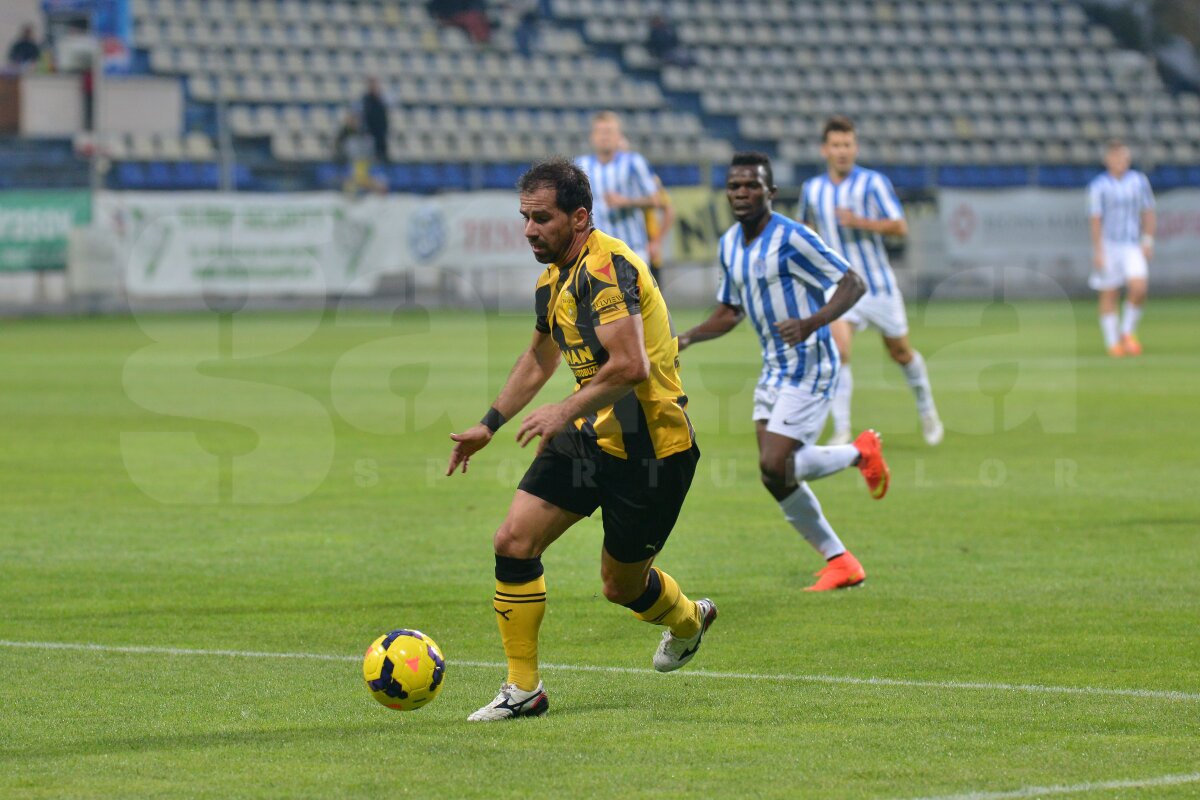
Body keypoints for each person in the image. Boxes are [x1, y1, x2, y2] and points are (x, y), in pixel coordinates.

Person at [447, 157, 715, 721]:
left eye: (541, 218)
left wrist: (560, 411)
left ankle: (689, 618)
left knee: (621, 587)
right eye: (524, 218)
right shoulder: (553, 281)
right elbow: (540, 356)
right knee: (513, 541)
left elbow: (632, 365)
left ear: (579, 217)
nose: (529, 231)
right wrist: (488, 424)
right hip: (590, 436)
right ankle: (524, 690)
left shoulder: (607, 268)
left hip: (652, 451)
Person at [678, 152, 889, 592]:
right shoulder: (729, 244)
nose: (741, 193)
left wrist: (812, 322)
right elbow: (730, 311)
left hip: (811, 361)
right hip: (775, 367)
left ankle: (860, 452)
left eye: (752, 185)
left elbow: (853, 282)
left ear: (770, 192)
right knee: (773, 474)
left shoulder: (794, 237)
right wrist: (685, 338)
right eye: (735, 185)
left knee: (778, 461)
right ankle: (841, 561)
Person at [798, 116, 943, 447]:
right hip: (839, 287)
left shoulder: (873, 183)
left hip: (877, 286)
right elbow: (806, 228)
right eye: (836, 145)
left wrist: (859, 222)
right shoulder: (813, 189)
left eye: (847, 144)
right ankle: (842, 430)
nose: (842, 151)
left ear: (855, 147)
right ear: (825, 150)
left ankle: (927, 409)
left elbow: (899, 226)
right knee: (839, 350)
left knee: (901, 353)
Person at [1087, 139, 1155, 357]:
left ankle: (1126, 331)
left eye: (1123, 157)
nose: (1119, 161)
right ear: (1107, 160)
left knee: (1139, 288)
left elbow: (1149, 211)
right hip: (1109, 245)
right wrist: (1098, 250)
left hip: (1132, 244)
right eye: (1115, 157)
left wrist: (1148, 240)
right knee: (1109, 292)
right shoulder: (1098, 186)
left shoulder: (1139, 181)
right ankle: (1112, 342)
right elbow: (1095, 219)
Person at [575, 111, 665, 271]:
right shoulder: (581, 165)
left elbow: (656, 200)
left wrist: (626, 202)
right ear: (592, 137)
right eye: (600, 132)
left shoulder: (634, 162)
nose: (604, 137)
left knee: (635, 296)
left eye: (609, 132)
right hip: (596, 252)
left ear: (619, 137)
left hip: (632, 250)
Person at [334, 110, 386, 195]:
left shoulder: (363, 131)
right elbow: (339, 145)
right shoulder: (344, 132)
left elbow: (368, 144)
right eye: (351, 120)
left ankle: (376, 189)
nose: (353, 122)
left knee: (361, 178)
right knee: (356, 178)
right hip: (349, 160)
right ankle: (354, 192)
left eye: (355, 120)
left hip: (361, 160)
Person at [358, 77, 389, 164]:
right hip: (369, 131)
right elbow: (363, 115)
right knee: (369, 154)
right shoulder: (366, 100)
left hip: (381, 131)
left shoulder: (381, 99)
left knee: (381, 152)